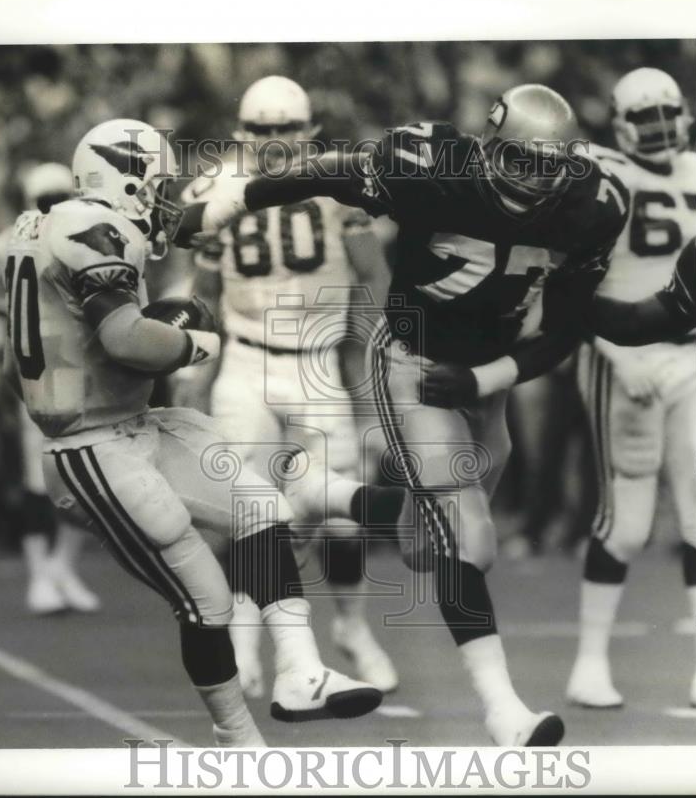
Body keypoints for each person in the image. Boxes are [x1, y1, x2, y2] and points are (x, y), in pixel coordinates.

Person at [177, 83, 631, 746]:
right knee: (466, 536)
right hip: (414, 359)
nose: (534, 180)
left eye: (548, 166)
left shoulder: (593, 205)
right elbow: (333, 172)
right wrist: (230, 201)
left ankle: (316, 495)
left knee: (428, 546)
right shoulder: (434, 166)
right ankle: (505, 710)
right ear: (488, 148)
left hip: (486, 374)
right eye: (519, 162)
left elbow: (566, 328)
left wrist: (485, 377)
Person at [3, 118, 382, 747]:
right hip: (91, 446)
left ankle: (301, 672)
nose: (162, 195)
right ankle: (238, 740)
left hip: (132, 424)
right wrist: (194, 345)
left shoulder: (59, 223)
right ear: (125, 179)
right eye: (153, 182)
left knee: (262, 507)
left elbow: (201, 218)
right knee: (206, 599)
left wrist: (303, 178)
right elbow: (126, 339)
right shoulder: (89, 230)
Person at [177, 76, 398, 698]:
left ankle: (353, 628)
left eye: (285, 129)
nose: (275, 141)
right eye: (264, 130)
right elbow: (204, 296)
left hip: (317, 362)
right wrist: (196, 371)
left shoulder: (341, 183)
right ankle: (247, 643)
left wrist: (373, 355)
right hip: (246, 361)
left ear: (308, 131)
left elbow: (374, 281)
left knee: (341, 519)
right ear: (245, 133)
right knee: (251, 511)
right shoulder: (216, 186)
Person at [567, 68, 696, 709]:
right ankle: (589, 663)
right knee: (628, 525)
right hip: (623, 354)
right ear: (620, 127)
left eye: (666, 115)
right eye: (643, 120)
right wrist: (616, 353)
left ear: (686, 115)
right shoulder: (601, 176)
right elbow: (567, 286)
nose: (659, 129)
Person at [0, 162, 101, 615]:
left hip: (85, 371)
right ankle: (40, 574)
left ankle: (61, 566)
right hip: (37, 371)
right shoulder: (7, 246)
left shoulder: (91, 237)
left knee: (88, 480)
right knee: (37, 478)